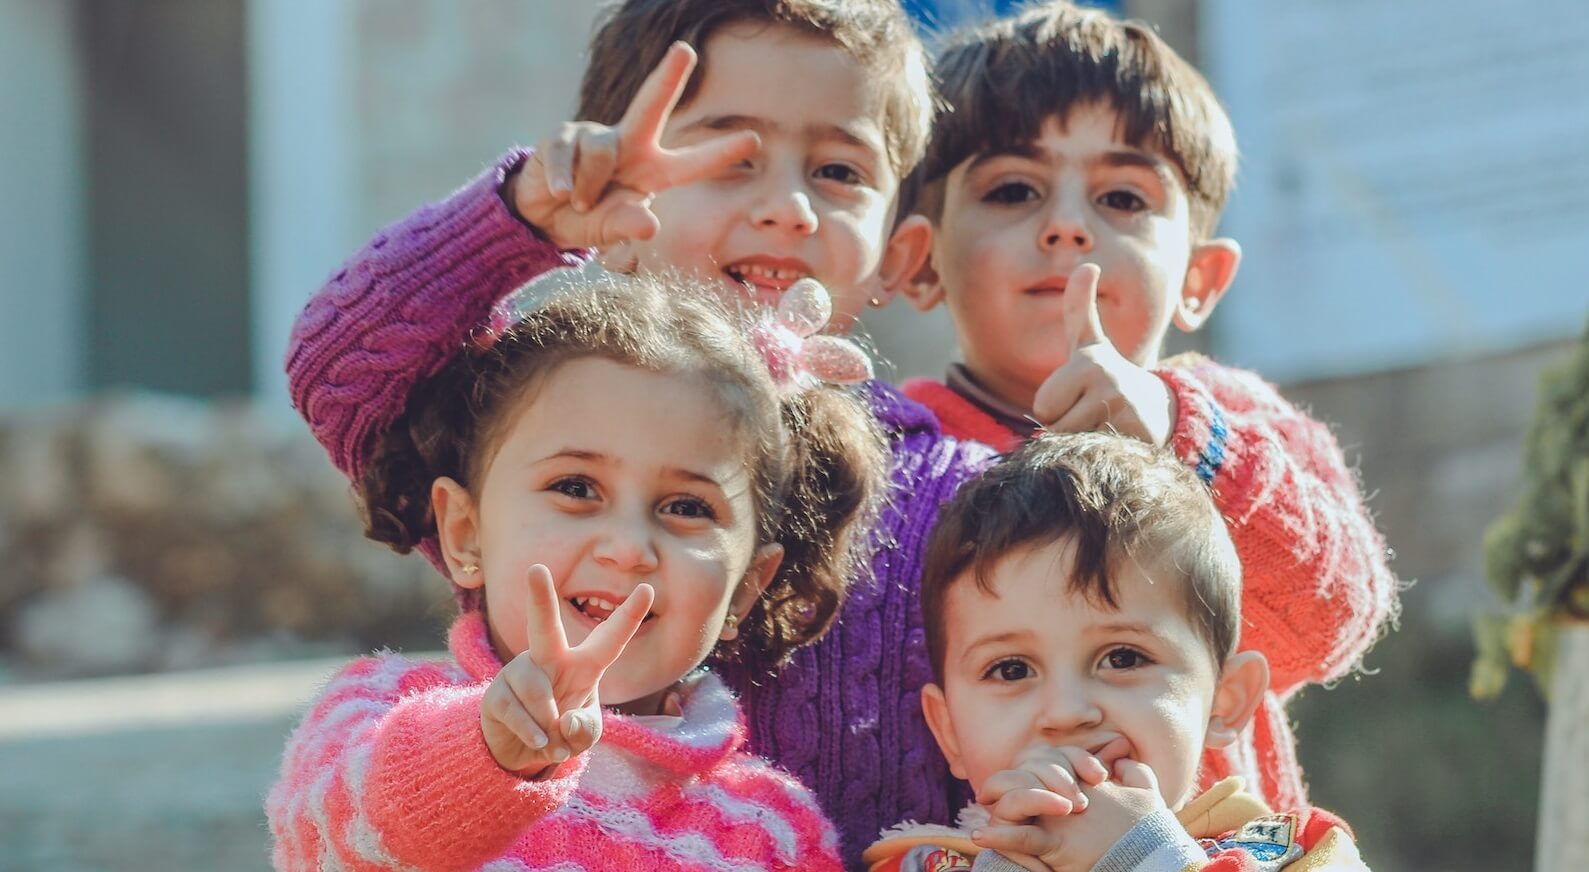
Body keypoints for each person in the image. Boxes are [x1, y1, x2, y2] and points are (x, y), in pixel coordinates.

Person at [282, 1, 999, 857]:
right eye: (729, 157)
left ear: (900, 253)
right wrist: (526, 220)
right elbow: (346, 364)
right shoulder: (542, 415)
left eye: (839, 172)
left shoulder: (964, 493)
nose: (788, 207)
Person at [898, 2, 1397, 809]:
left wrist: (1178, 434)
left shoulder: (1235, 420)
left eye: (1122, 199)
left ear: (1200, 278)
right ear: (916, 260)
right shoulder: (891, 459)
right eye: (1013, 189)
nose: (1065, 227)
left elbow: (1328, 621)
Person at [268, 276, 889, 870]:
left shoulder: (771, 830)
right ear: (464, 532)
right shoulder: (371, 715)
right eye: (575, 487)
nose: (627, 547)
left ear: (745, 589)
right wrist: (492, 751)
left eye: (686, 508)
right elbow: (328, 841)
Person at [865, 433, 1369, 871]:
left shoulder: (1296, 852)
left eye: (1123, 658)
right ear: (949, 730)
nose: (1066, 713)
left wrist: (1145, 858)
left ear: (1226, 699)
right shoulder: (913, 864)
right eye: (1011, 669)